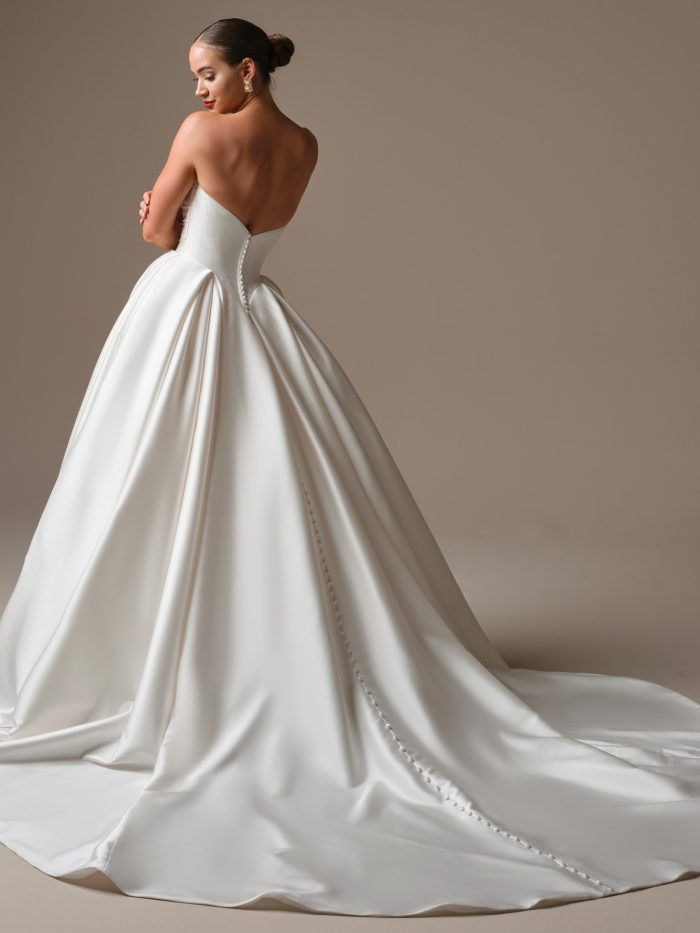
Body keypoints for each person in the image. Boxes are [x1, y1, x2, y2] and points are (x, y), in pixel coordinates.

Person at [0, 16, 698, 918]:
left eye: (208, 73)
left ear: (249, 71)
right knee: (268, 491)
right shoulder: (305, 144)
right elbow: (246, 229)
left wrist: (153, 213)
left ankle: (153, 662)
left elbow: (161, 235)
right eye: (195, 78)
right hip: (260, 317)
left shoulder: (199, 135)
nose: (199, 89)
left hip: (184, 318)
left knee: (146, 489)